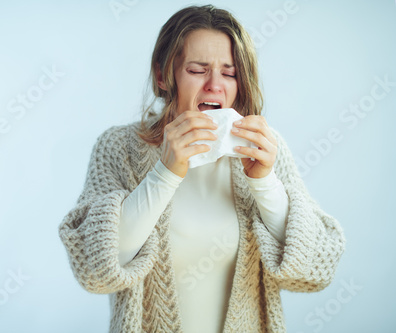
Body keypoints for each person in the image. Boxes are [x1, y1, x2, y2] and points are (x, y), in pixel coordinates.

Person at [58, 5, 345, 333]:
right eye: (197, 70)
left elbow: (317, 269)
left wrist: (264, 183)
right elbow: (94, 270)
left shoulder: (264, 147)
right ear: (163, 75)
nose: (215, 85)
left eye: (230, 72)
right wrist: (165, 173)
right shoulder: (119, 148)